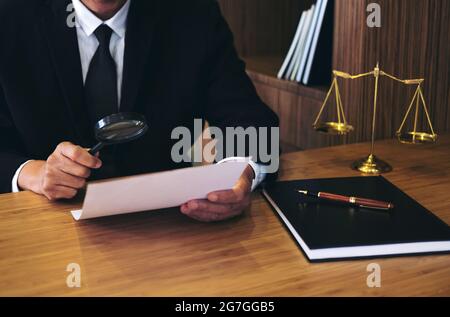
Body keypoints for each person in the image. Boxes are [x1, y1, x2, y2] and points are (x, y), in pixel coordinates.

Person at [0, 0, 279, 222]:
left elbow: (251, 122)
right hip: (42, 226)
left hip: (166, 225)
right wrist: (33, 173)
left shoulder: (192, 13)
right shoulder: (10, 17)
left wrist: (238, 174)